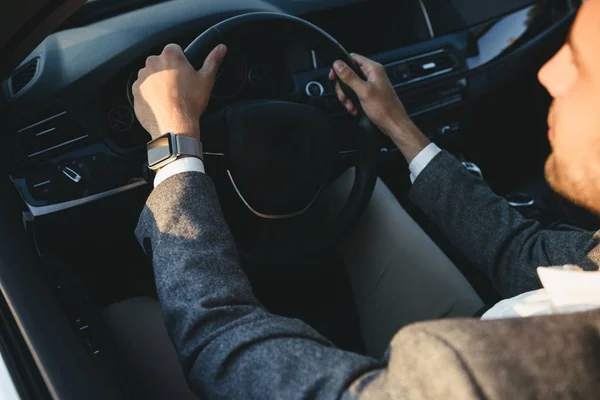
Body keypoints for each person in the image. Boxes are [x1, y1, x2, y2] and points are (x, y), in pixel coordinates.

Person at [107, 0, 600, 398]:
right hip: (491, 334)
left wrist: (175, 143)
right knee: (357, 191)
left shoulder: (477, 377)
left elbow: (219, 344)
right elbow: (527, 257)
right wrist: (398, 126)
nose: (549, 72)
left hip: (446, 366)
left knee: (124, 316)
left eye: (581, 64)